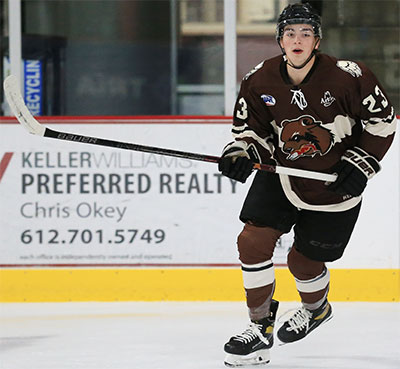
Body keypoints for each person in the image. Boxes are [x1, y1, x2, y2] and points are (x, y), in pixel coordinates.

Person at [218, 2, 397, 367]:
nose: (297, 39)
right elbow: (249, 130)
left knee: (302, 262)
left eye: (305, 33)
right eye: (290, 33)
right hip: (282, 174)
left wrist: (361, 163)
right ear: (280, 40)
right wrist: (240, 152)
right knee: (252, 241)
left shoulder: (351, 76)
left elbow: (383, 123)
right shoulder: (259, 78)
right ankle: (259, 328)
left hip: (334, 185)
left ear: (317, 40)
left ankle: (316, 309)